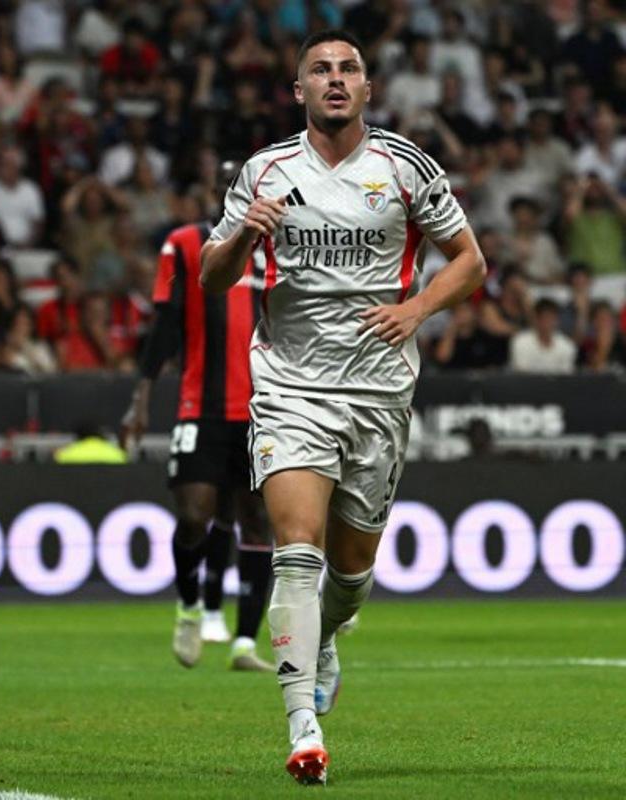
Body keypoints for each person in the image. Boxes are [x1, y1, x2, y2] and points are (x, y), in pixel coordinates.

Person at [200, 30, 486, 785]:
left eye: (349, 68)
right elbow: (210, 273)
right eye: (320, 70)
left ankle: (326, 638)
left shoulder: (403, 167)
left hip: (380, 393)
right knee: (297, 548)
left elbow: (470, 260)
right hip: (292, 387)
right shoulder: (267, 171)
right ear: (298, 91)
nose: (335, 78)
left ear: (367, 88)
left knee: (352, 573)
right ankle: (302, 725)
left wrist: (417, 308)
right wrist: (242, 238)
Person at [119, 214, 275, 673]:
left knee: (256, 519)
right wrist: (140, 396)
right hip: (199, 406)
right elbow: (166, 324)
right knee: (193, 517)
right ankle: (189, 606)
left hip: (262, 408)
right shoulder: (186, 244)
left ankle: (245, 642)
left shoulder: (279, 243)